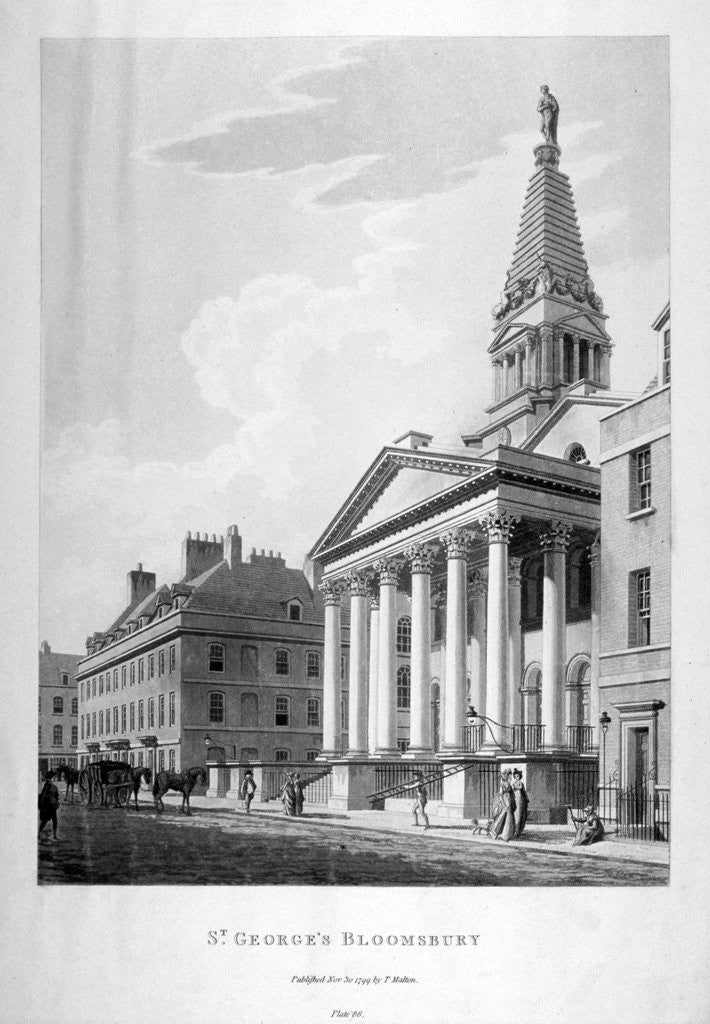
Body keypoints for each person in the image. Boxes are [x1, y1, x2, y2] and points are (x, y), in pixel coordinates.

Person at [490, 768, 516, 842]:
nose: (511, 777)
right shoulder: (502, 784)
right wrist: (504, 804)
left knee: (509, 818)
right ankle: (494, 832)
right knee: (501, 818)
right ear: (507, 776)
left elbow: (512, 794)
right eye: (510, 776)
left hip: (509, 802)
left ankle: (507, 835)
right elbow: (501, 795)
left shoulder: (509, 784)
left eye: (511, 776)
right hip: (505, 803)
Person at [38, 770, 61, 842]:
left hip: (52, 806)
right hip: (48, 806)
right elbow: (43, 796)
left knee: (55, 820)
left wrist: (57, 798)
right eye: (54, 777)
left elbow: (55, 795)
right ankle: (38, 833)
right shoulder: (48, 785)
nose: (55, 778)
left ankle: (54, 835)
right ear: (51, 777)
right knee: (44, 821)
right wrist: (42, 806)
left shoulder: (52, 785)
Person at [511, 768, 529, 839]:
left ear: (520, 776)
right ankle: (514, 831)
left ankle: (518, 832)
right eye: (515, 776)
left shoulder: (521, 783)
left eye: (517, 776)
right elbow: (511, 791)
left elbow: (523, 791)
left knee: (520, 816)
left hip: (521, 802)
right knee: (515, 816)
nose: (516, 778)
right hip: (515, 801)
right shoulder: (513, 784)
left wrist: (526, 799)